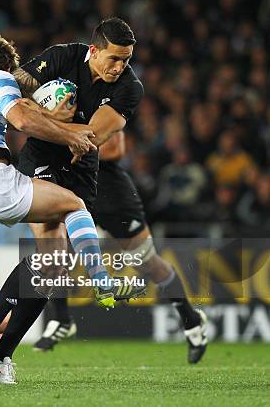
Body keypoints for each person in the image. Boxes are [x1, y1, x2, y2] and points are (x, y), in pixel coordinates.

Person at [0, 33, 146, 385]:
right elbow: (23, 120)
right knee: (72, 208)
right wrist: (68, 133)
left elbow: (90, 127)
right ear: (6, 64)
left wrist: (51, 117)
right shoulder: (4, 76)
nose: (120, 66)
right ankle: (99, 279)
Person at [0, 18, 168, 378]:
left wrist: (43, 117)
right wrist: (43, 115)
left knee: (54, 266)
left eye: (127, 60)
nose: (120, 67)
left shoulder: (129, 88)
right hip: (40, 158)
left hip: (82, 169)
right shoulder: (61, 58)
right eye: (115, 59)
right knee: (50, 257)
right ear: (94, 50)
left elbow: (90, 136)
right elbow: (13, 91)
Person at [34, 130, 209, 364]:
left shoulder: (96, 101)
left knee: (148, 263)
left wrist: (71, 145)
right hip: (73, 186)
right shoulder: (55, 107)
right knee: (53, 251)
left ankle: (191, 321)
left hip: (110, 192)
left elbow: (116, 148)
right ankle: (62, 318)